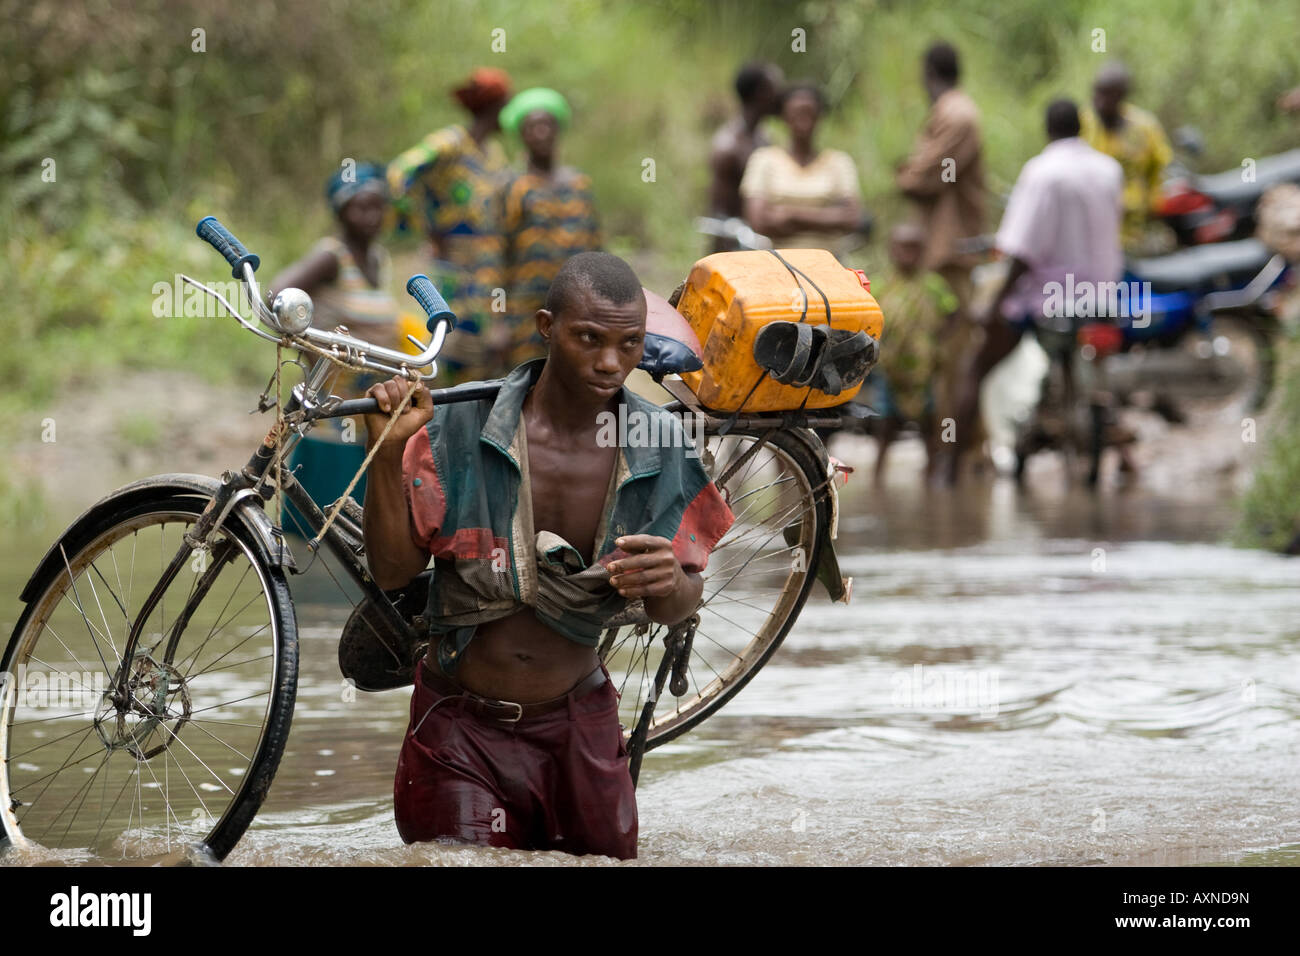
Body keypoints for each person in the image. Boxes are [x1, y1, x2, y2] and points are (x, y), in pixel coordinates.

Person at [361, 252, 736, 859]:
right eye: (588, 338)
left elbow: (681, 603)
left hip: (577, 725)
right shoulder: (460, 426)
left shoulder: (659, 444)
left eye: (629, 344)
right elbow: (393, 572)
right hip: (460, 726)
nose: (610, 363)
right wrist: (384, 454)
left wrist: (669, 581)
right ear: (545, 328)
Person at [948, 99, 1124, 482]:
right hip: (1101, 295)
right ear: (1081, 127)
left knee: (976, 365)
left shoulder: (1043, 173)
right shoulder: (1109, 170)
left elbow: (1021, 250)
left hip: (1050, 299)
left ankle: (947, 472)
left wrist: (991, 306)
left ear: (1048, 129)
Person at [265, 163, 401, 530]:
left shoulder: (378, 259)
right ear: (341, 211)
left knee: (357, 534)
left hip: (369, 415)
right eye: (361, 206)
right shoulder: (331, 256)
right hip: (330, 416)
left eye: (378, 206)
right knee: (318, 532)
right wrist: (313, 347)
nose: (372, 216)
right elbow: (277, 296)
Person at [895, 41, 988, 476]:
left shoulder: (957, 114)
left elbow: (922, 176)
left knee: (953, 358)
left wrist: (907, 174)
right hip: (942, 253)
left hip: (953, 254)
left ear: (928, 72)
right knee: (943, 356)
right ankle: (959, 452)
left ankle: (957, 455)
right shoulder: (955, 112)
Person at [387, 67, 513, 384]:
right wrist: (425, 226)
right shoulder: (451, 142)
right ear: (494, 108)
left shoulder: (495, 154)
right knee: (446, 342)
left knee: (482, 354)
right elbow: (399, 174)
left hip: (486, 270)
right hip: (452, 265)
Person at [497, 87, 602, 372]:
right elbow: (497, 254)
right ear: (521, 134)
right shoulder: (511, 185)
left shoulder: (579, 184)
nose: (541, 132)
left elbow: (596, 248)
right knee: (527, 381)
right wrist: (498, 322)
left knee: (576, 378)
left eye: (547, 124)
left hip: (577, 307)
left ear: (558, 129)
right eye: (532, 127)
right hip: (526, 312)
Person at [861, 223, 958, 485]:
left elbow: (952, 313)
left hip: (923, 369)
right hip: (889, 367)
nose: (908, 254)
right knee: (885, 424)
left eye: (914, 248)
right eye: (903, 248)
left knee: (927, 424)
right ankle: (877, 479)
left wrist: (936, 342)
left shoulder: (933, 286)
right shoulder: (880, 285)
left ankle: (931, 475)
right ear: (892, 250)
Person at [740, 82, 865, 251]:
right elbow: (759, 221)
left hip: (828, 264)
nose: (803, 119)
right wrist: (829, 218)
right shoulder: (764, 160)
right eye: (796, 113)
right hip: (777, 264)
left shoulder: (839, 162)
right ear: (784, 117)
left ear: (820, 116)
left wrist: (791, 216)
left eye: (809, 113)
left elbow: (852, 219)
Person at [1080, 61, 1173, 249]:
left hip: (1132, 226)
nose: (1098, 99)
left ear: (1121, 95)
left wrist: (1153, 206)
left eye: (1106, 93)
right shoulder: (1084, 123)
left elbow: (1160, 168)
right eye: (1096, 92)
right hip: (1092, 222)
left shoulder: (1144, 127)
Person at [708, 61, 785, 251]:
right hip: (736, 249)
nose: (780, 97)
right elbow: (720, 217)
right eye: (775, 89)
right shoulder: (729, 146)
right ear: (760, 93)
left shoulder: (764, 138)